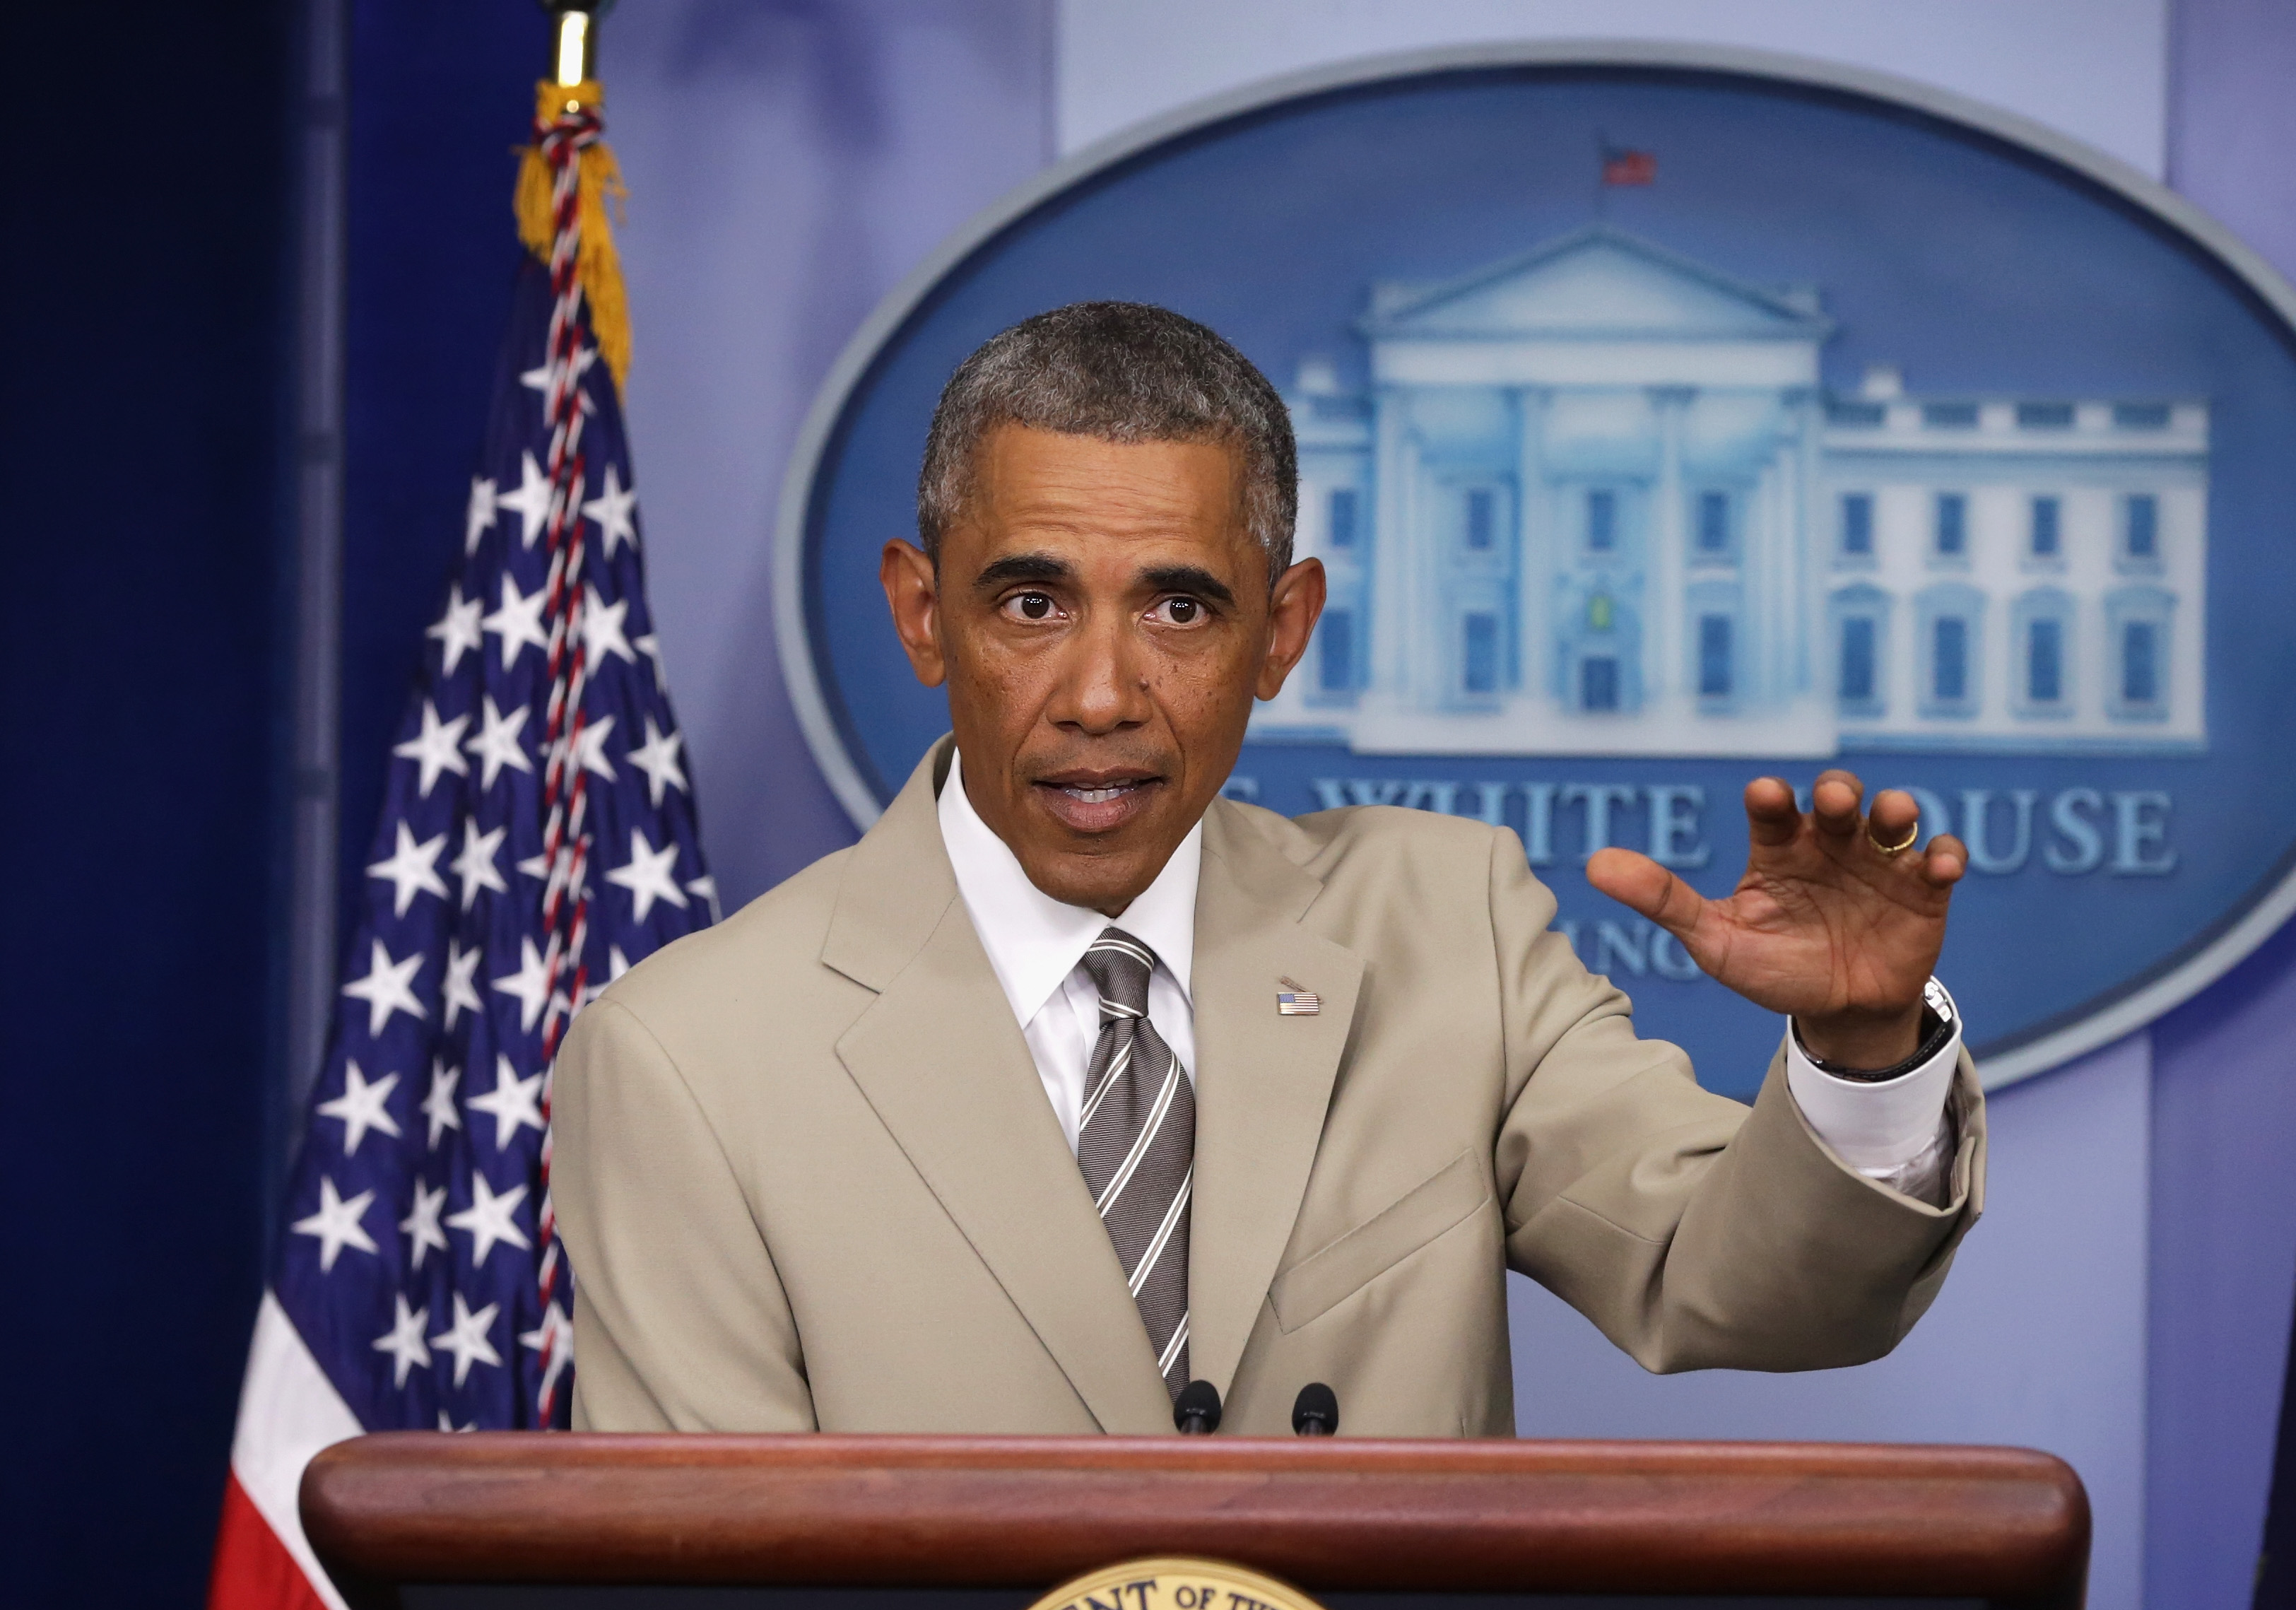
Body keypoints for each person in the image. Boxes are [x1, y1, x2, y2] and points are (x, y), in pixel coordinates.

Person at [553, 302, 1986, 1436]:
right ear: (924, 619)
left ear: (1282, 632)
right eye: (1033, 603)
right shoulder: (691, 1056)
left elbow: (1737, 1289)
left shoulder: (1448, 927)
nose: (1103, 692)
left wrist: (1861, 1054)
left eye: (1181, 607)